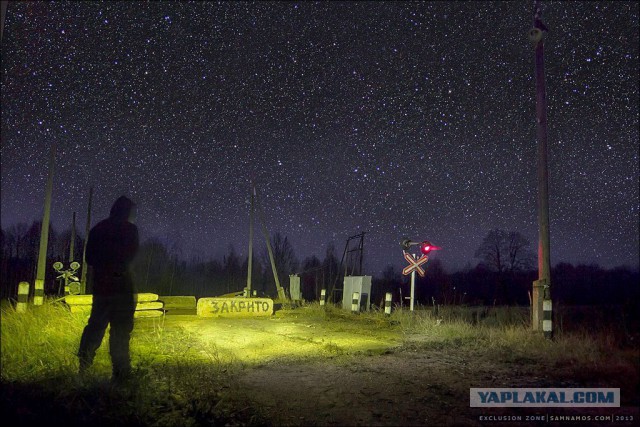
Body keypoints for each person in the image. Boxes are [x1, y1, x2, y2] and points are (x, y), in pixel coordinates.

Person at [78, 195, 139, 383]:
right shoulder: (130, 229)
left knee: (95, 325)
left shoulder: (98, 229)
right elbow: (131, 255)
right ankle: (121, 373)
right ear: (127, 211)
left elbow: (89, 258)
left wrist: (105, 268)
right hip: (122, 286)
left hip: (102, 286)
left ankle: (83, 366)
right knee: (120, 330)